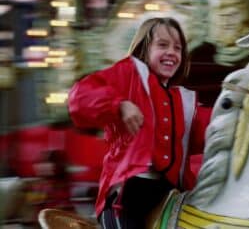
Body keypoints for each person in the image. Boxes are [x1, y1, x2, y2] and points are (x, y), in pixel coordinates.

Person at [68, 17, 212, 229]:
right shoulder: (128, 74)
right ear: (144, 48)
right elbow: (80, 97)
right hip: (127, 197)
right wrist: (118, 105)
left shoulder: (185, 100)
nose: (172, 52)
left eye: (178, 48)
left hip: (169, 197)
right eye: (163, 45)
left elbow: (213, 128)